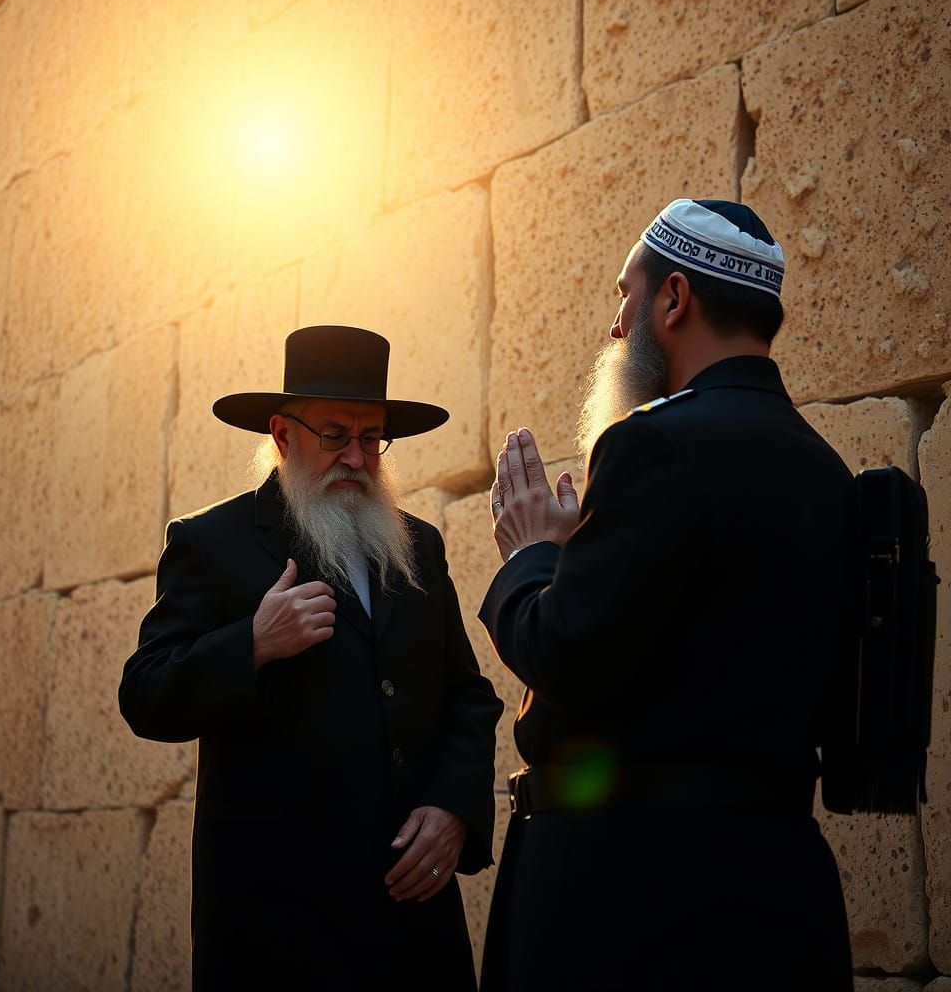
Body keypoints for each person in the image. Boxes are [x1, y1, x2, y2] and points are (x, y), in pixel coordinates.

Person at [478, 200, 854, 991]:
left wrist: (532, 559)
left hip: (635, 902)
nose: (618, 326)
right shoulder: (824, 466)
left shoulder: (651, 441)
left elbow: (568, 656)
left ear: (674, 299)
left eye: (627, 295)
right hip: (782, 891)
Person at [119, 325, 502, 991]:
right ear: (282, 433)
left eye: (370, 438)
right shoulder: (213, 543)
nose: (355, 456)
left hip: (412, 925)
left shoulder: (419, 545)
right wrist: (253, 643)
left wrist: (452, 809)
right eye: (334, 434)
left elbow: (466, 695)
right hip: (281, 932)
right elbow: (145, 693)